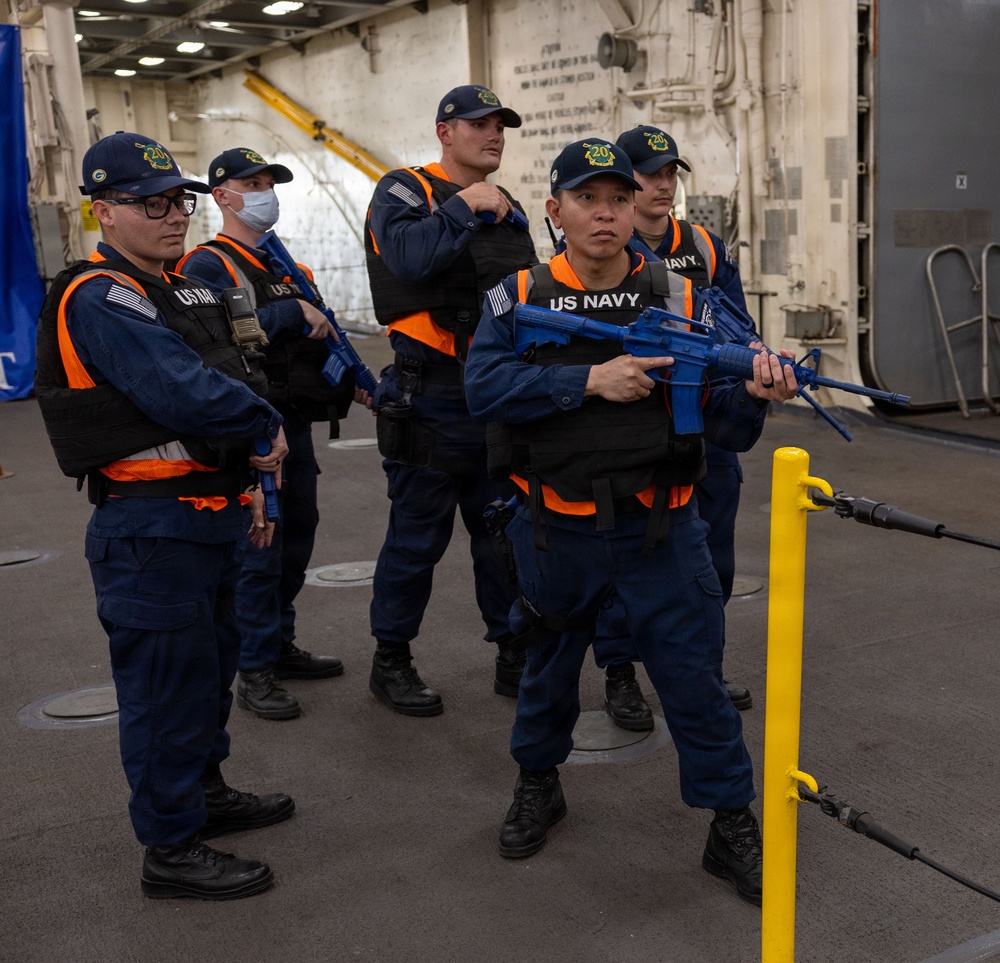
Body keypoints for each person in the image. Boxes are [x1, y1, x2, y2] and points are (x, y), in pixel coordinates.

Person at [464, 139, 798, 905]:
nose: (606, 211)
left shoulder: (681, 296)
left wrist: (757, 390)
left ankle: (729, 822)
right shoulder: (516, 295)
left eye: (617, 197)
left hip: (662, 532)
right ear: (555, 211)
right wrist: (588, 379)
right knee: (547, 674)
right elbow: (482, 389)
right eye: (587, 198)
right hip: (556, 530)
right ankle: (538, 783)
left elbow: (725, 426)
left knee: (694, 681)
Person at [34, 132, 295, 899]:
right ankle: (171, 847)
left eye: (177, 199)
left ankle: (203, 795)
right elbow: (182, 388)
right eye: (151, 202)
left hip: (207, 517)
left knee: (208, 676)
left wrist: (248, 460)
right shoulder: (100, 294)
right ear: (103, 212)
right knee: (163, 690)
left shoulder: (180, 287)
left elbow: (234, 367)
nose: (172, 214)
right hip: (150, 530)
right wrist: (262, 422)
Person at [363, 85, 537, 716]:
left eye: (500, 126)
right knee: (415, 541)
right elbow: (410, 260)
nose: (493, 135)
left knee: (504, 538)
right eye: (479, 124)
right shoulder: (404, 190)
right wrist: (466, 205)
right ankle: (391, 660)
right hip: (430, 396)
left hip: (494, 397)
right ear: (445, 131)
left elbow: (528, 292)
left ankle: (513, 652)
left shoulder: (509, 205)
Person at [178, 147, 357, 721]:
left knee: (297, 535)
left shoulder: (282, 263)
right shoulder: (207, 265)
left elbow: (324, 328)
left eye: (268, 182)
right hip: (251, 430)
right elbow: (215, 339)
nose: (263, 192)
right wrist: (289, 317)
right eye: (250, 183)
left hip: (293, 422)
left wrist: (361, 382)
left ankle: (278, 643)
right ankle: (252, 666)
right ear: (222, 196)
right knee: (261, 545)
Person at [588, 126, 757, 731]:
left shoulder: (704, 246)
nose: (663, 184)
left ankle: (703, 667)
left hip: (705, 421)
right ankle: (621, 672)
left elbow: (740, 327)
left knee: (712, 554)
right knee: (629, 550)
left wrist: (758, 373)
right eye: (649, 173)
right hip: (638, 424)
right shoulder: (607, 253)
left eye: (671, 173)